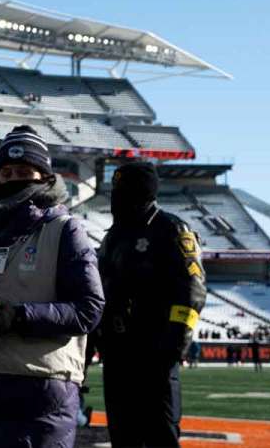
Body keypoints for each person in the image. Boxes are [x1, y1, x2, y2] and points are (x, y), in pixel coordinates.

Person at [0, 126, 104, 448]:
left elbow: (88, 309)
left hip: (38, 385)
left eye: (24, 171)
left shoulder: (65, 229)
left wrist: (17, 317)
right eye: (7, 172)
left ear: (43, 176)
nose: (13, 177)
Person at [96, 161, 207, 447]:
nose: (117, 199)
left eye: (125, 191)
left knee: (161, 437)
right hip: (117, 356)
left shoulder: (171, 229)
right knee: (123, 438)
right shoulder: (112, 238)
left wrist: (174, 343)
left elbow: (192, 291)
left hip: (156, 354)